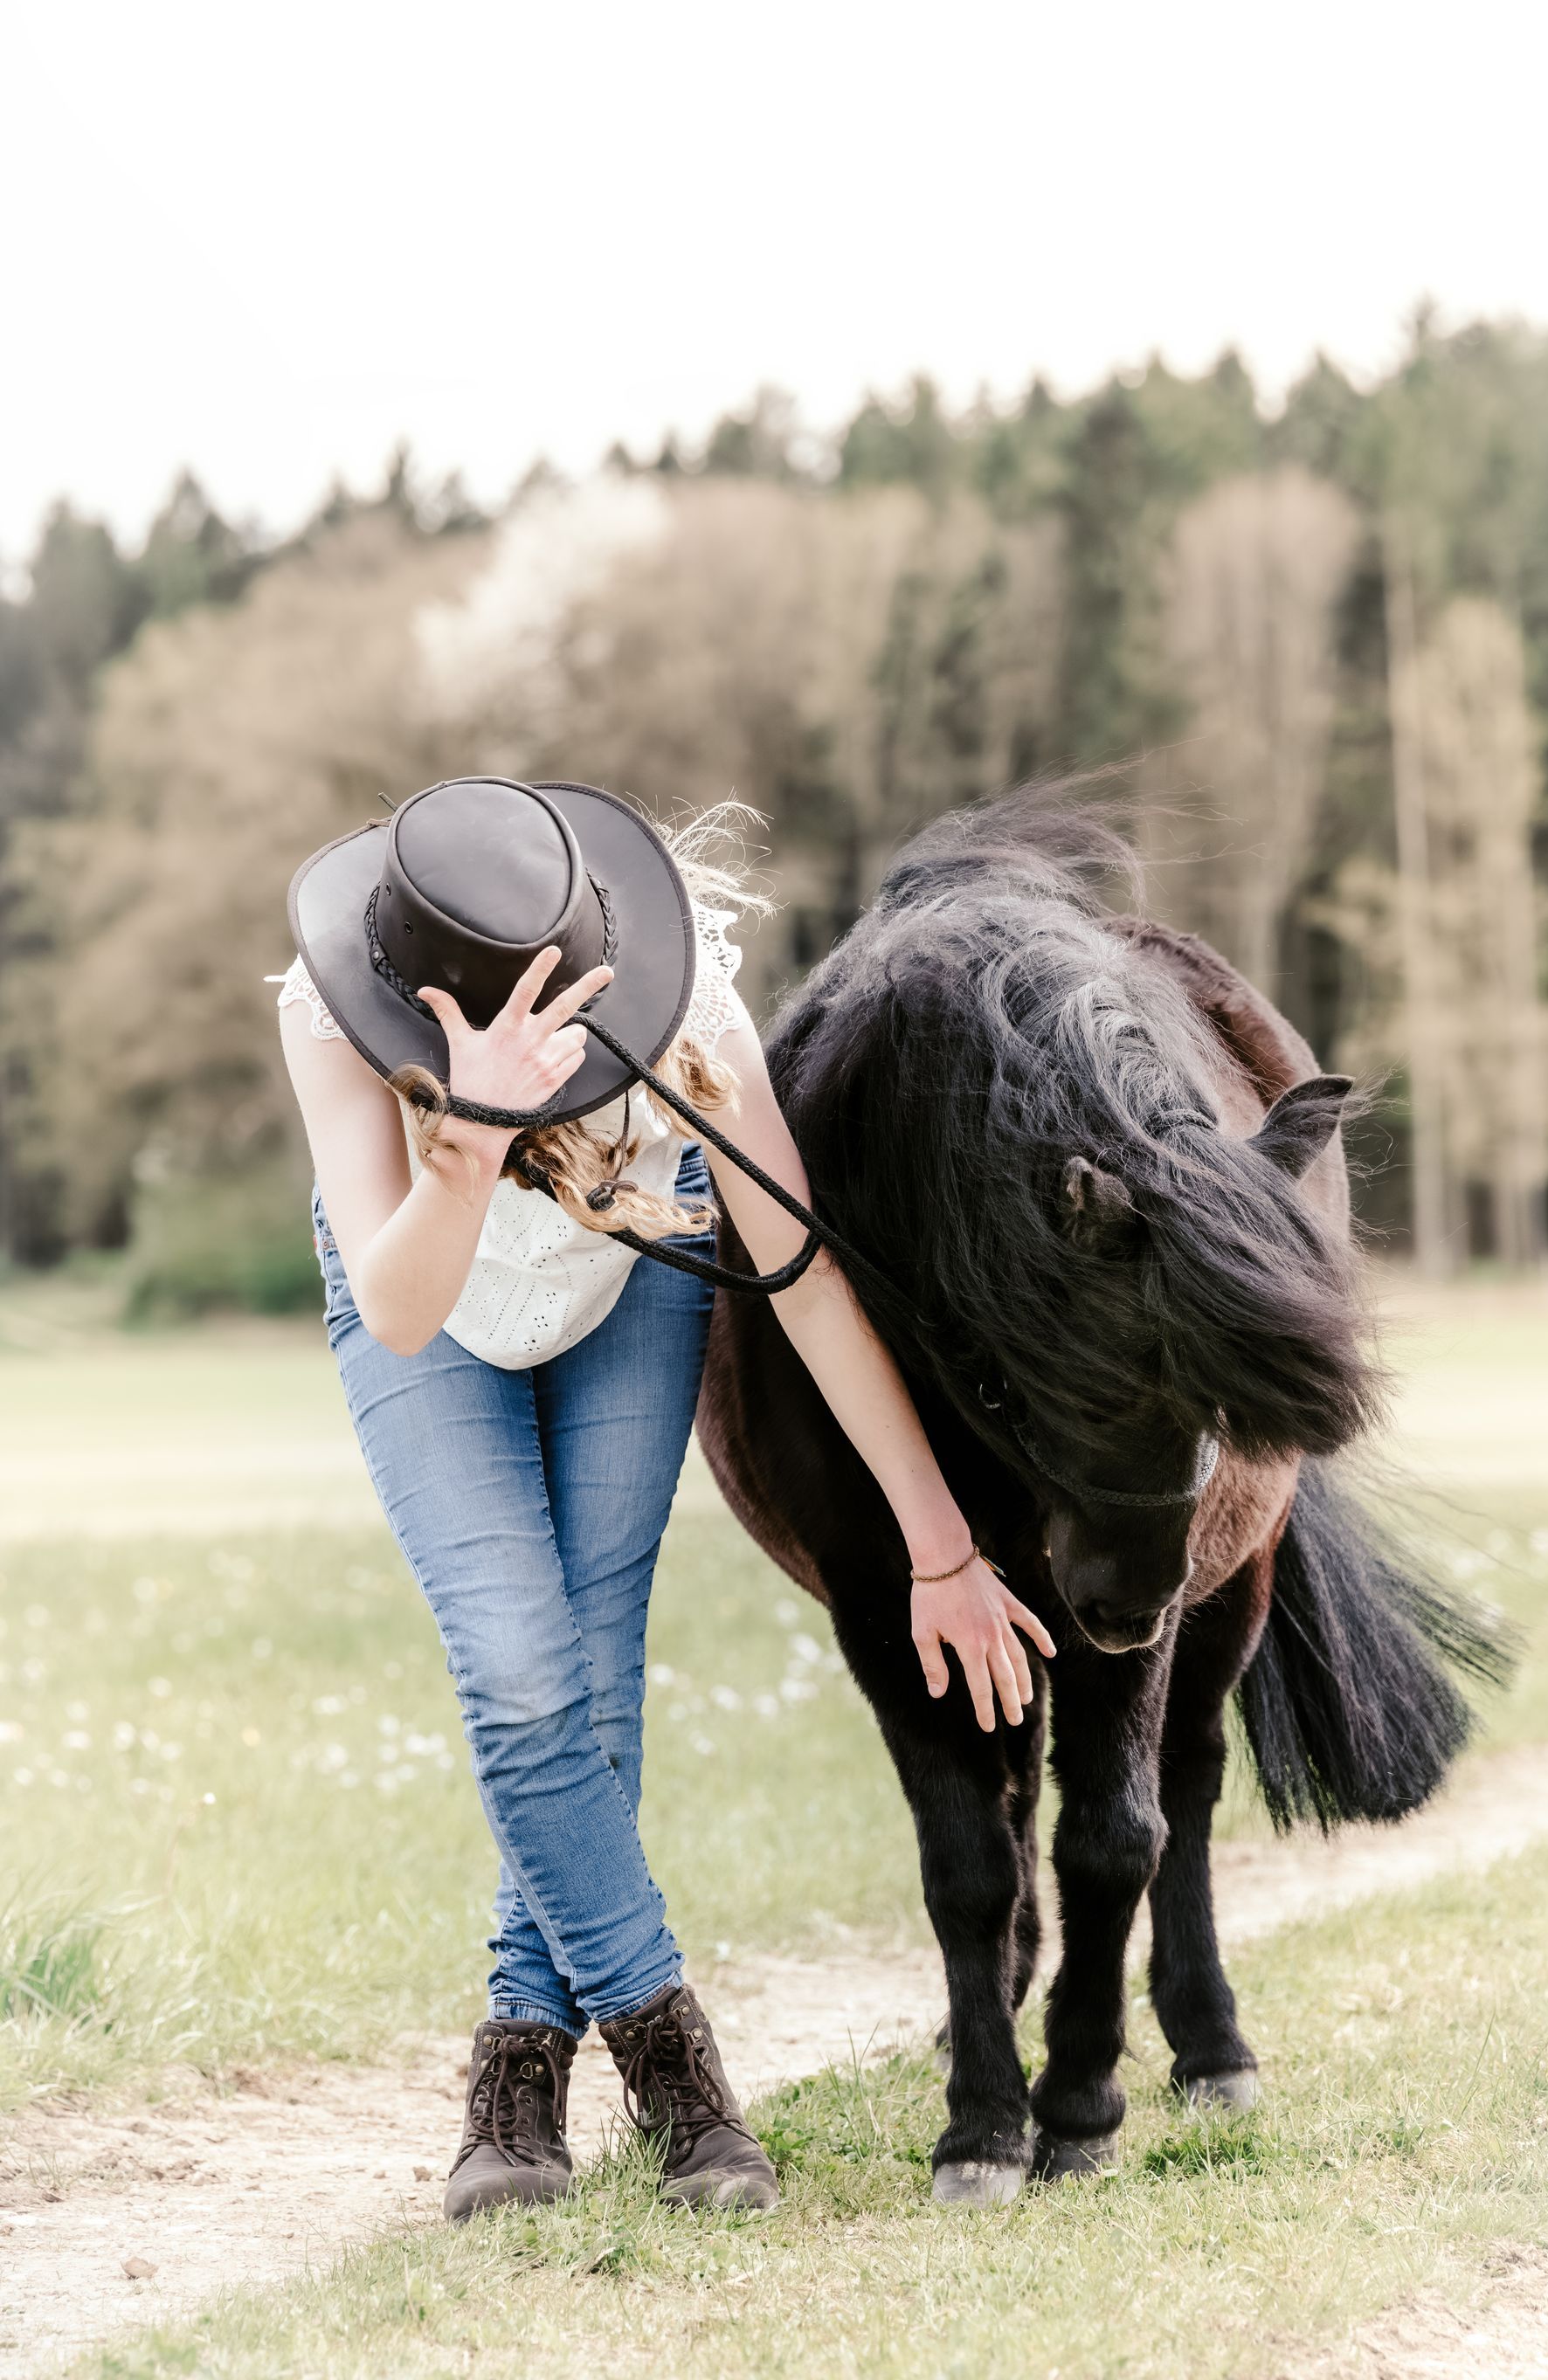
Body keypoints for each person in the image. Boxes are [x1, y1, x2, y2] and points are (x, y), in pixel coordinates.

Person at [275, 775, 1053, 2223]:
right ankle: (676, 2077)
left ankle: (516, 2080)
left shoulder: (687, 1015)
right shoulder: (329, 1014)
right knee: (517, 1675)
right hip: (425, 1310)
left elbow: (806, 1283)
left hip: (623, 1294)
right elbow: (395, 1307)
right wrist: (474, 1141)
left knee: (590, 1686)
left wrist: (939, 1547)